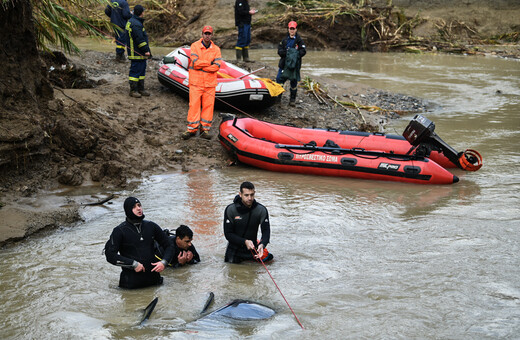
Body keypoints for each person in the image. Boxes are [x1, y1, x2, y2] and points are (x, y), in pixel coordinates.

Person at [105, 197, 173, 289]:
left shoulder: (151, 226)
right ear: (128, 210)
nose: (138, 208)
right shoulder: (119, 231)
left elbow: (169, 245)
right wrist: (133, 264)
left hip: (154, 282)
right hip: (130, 286)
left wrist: (164, 262)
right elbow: (110, 255)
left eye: (139, 205)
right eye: (134, 207)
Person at [181, 26, 222, 140]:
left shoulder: (216, 49)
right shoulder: (195, 46)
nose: (207, 35)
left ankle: (205, 129)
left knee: (208, 107)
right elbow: (195, 62)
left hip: (209, 84)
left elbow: (217, 66)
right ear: (202, 34)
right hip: (196, 82)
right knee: (193, 106)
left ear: (212, 35)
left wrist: (203, 66)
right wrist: (209, 63)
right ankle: (192, 129)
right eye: (205, 33)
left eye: (209, 34)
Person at [223, 181, 273, 263]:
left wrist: (262, 244)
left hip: (252, 250)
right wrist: (245, 241)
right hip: (234, 252)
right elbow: (228, 234)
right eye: (246, 195)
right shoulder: (231, 210)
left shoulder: (261, 210)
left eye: (252, 195)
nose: (249, 198)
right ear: (240, 194)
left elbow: (266, 231)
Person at [276, 21, 306, 106]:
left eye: (293, 29)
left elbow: (303, 51)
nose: (292, 30)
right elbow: (279, 51)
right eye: (290, 29)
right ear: (288, 29)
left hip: (294, 66)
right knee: (279, 80)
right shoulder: (284, 40)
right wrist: (288, 54)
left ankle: (292, 100)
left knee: (293, 82)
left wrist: (294, 55)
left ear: (296, 29)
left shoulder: (299, 40)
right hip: (284, 65)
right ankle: (278, 100)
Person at [125, 5, 151, 98]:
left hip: (138, 52)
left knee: (141, 71)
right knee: (135, 71)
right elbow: (139, 39)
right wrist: (146, 50)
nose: (144, 13)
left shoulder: (134, 21)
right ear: (141, 13)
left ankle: (141, 89)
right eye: (143, 11)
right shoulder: (135, 24)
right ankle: (133, 90)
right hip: (136, 52)